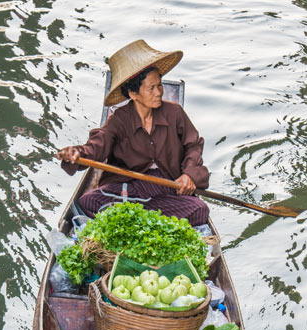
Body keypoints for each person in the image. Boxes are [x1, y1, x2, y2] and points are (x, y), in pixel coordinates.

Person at [56, 39, 210, 226]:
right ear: (133, 94)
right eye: (151, 88)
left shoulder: (174, 113)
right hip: (130, 187)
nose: (159, 92)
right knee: (88, 201)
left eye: (159, 85)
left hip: (168, 186)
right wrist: (77, 153)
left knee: (200, 209)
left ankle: (135, 216)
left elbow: (193, 145)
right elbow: (98, 144)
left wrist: (189, 174)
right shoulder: (120, 119)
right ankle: (149, 216)